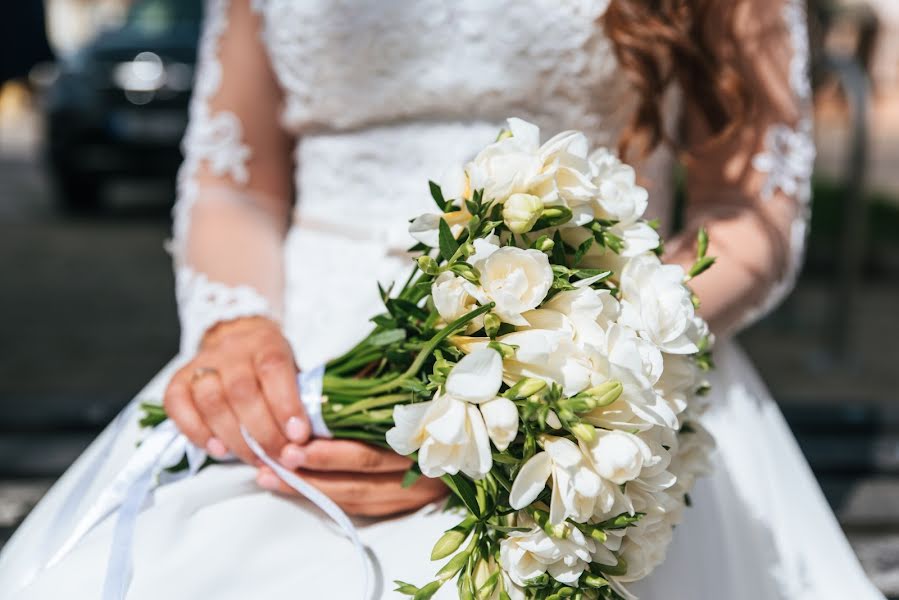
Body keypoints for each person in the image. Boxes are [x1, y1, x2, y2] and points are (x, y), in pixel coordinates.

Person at [0, 0, 885, 598]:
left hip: (590, 359)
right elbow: (238, 186)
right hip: (298, 357)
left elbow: (749, 208)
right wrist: (233, 325)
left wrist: (545, 394)